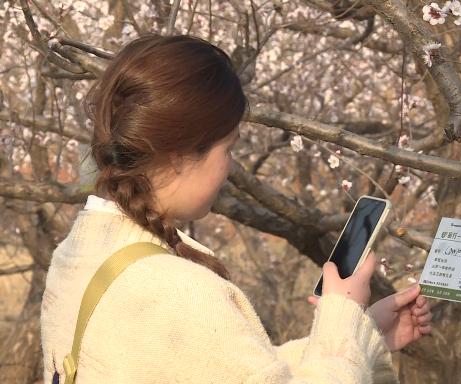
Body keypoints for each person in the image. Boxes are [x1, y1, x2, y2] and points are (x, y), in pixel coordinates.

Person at [40, 34, 432, 383]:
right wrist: (343, 310)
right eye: (227, 148)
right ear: (177, 156)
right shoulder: (178, 292)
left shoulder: (76, 254)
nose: (230, 165)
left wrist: (362, 334)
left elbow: (219, 369)